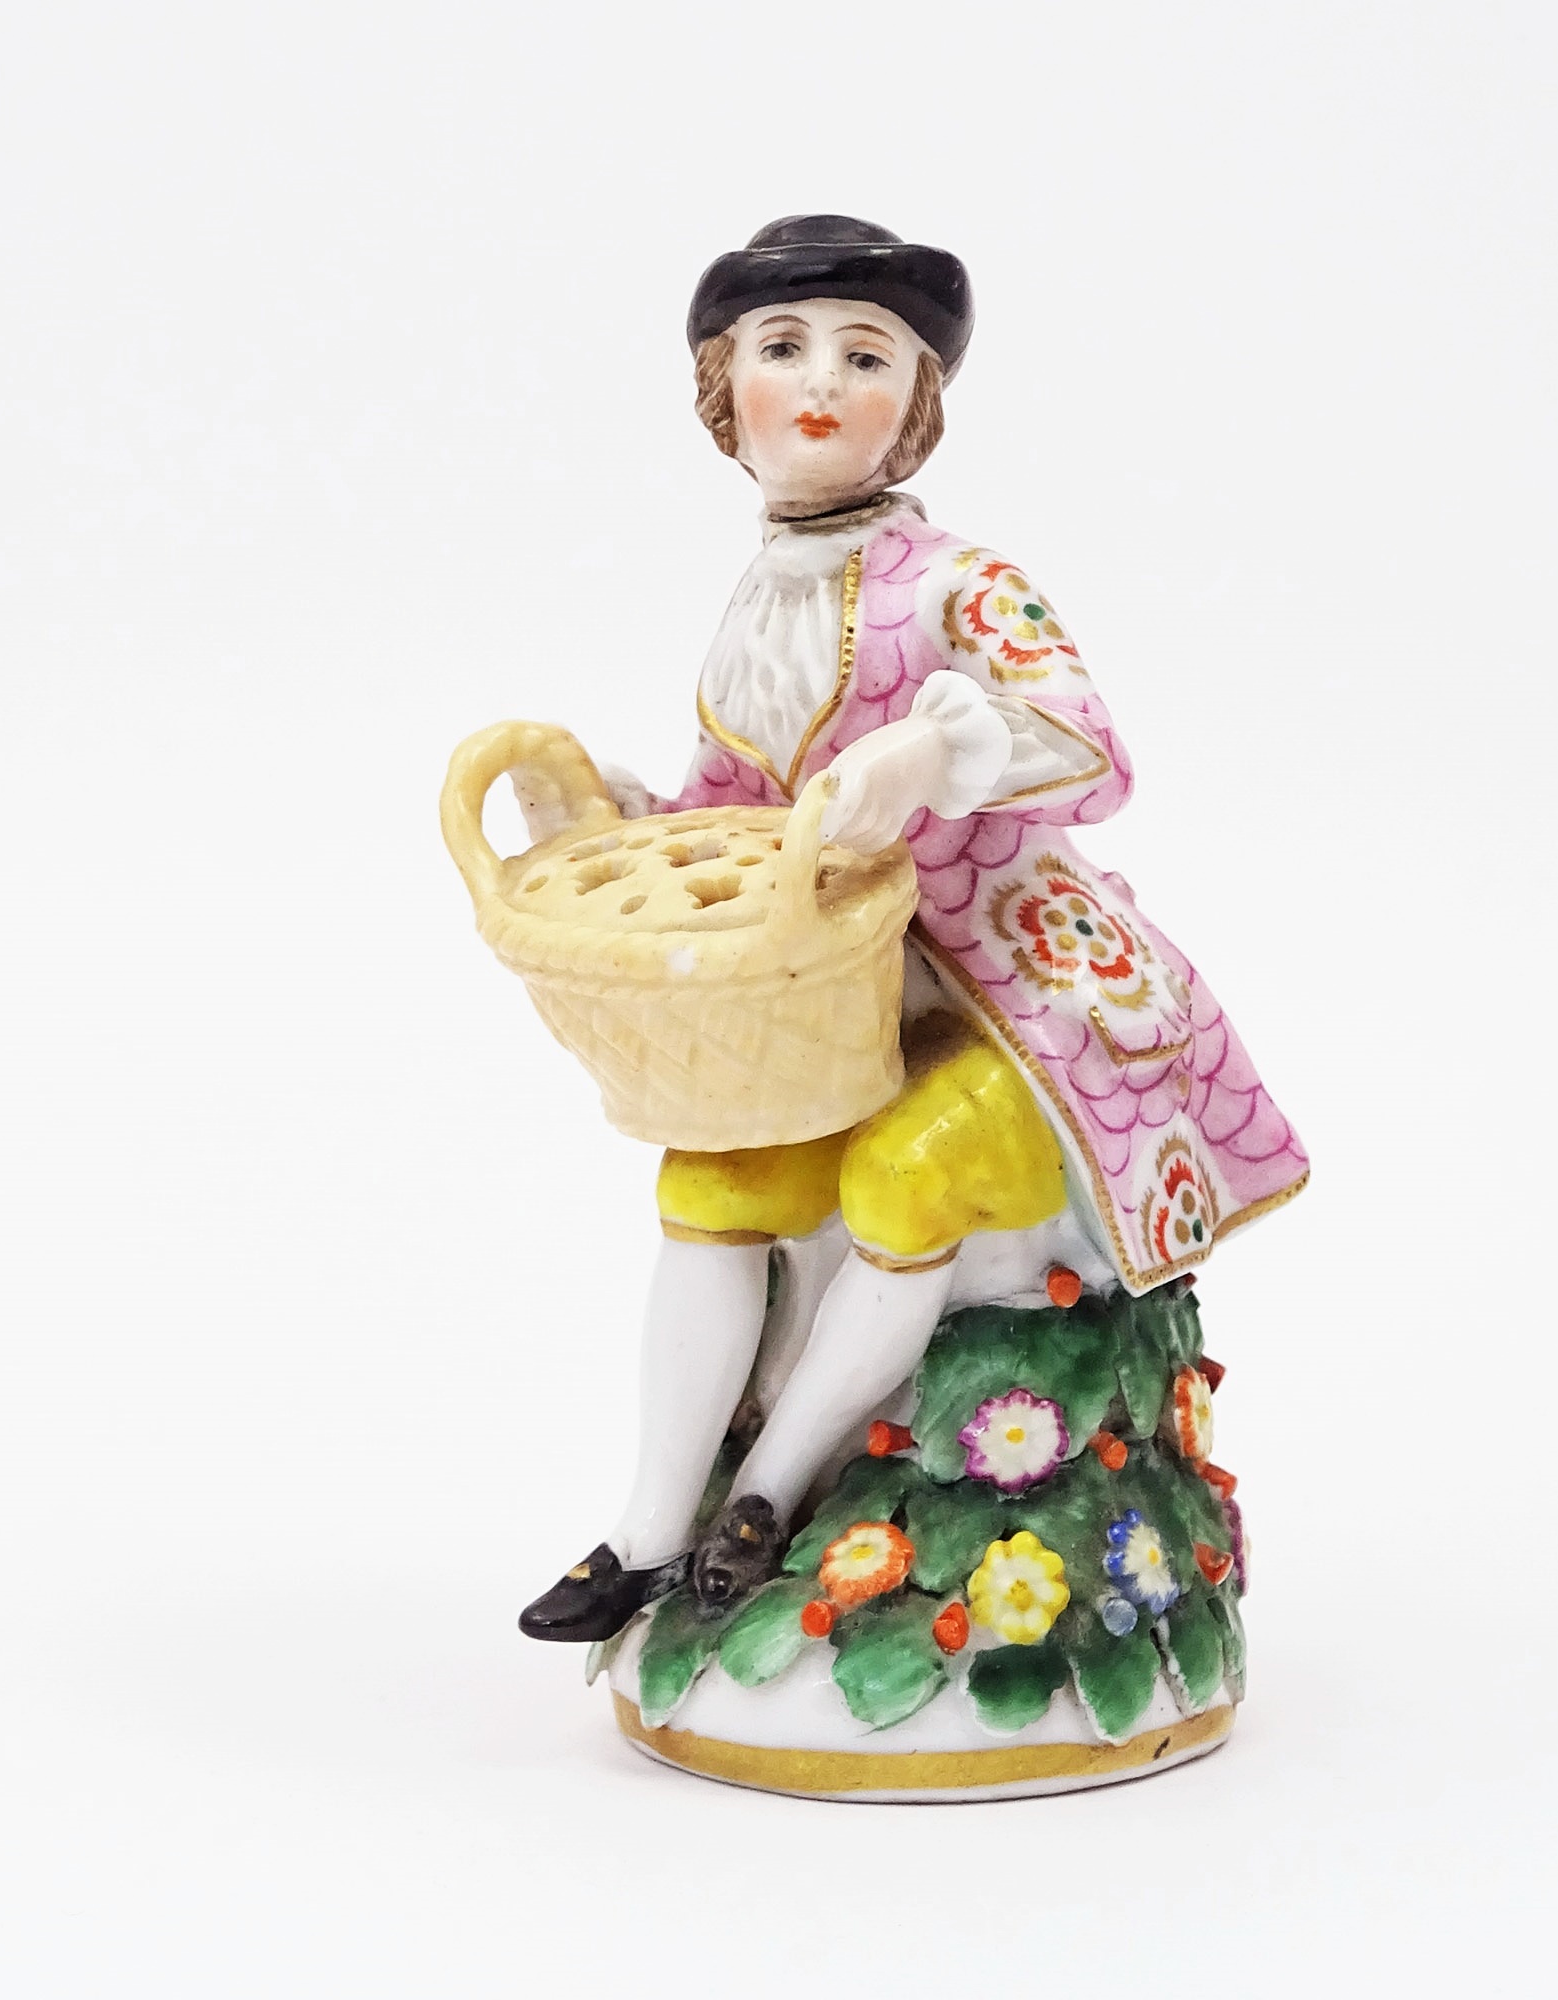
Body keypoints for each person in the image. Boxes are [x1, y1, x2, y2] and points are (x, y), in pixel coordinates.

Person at [515, 216, 1307, 1640]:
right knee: (713, 1183)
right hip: (837, 997)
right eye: (782, 347)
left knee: (902, 1183)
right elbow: (741, 808)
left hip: (1011, 987)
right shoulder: (760, 599)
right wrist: (628, 822)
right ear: (723, 392)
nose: (822, 381)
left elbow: (1091, 750)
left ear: (916, 404)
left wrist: (940, 754)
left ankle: (769, 1495)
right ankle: (646, 1530)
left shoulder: (957, 582)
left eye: (866, 355)